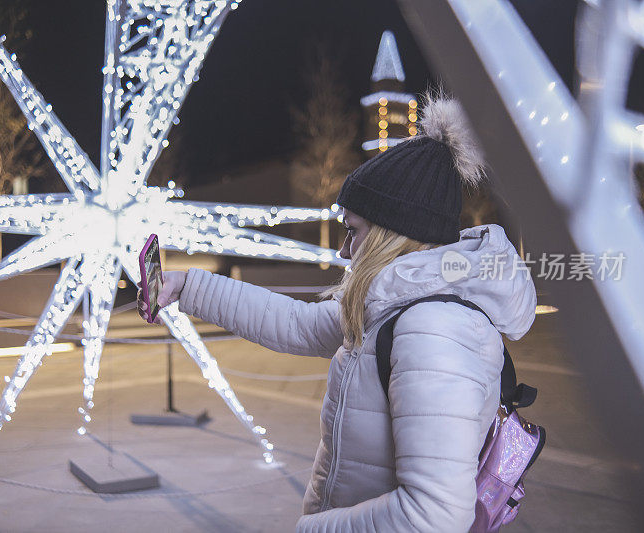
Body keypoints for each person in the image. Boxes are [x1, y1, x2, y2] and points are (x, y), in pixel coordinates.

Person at [139, 94, 537, 532]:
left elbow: (435, 516)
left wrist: (315, 529)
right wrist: (187, 287)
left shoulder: (434, 331)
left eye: (353, 231)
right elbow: (297, 324)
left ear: (392, 233)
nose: (344, 250)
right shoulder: (395, 307)